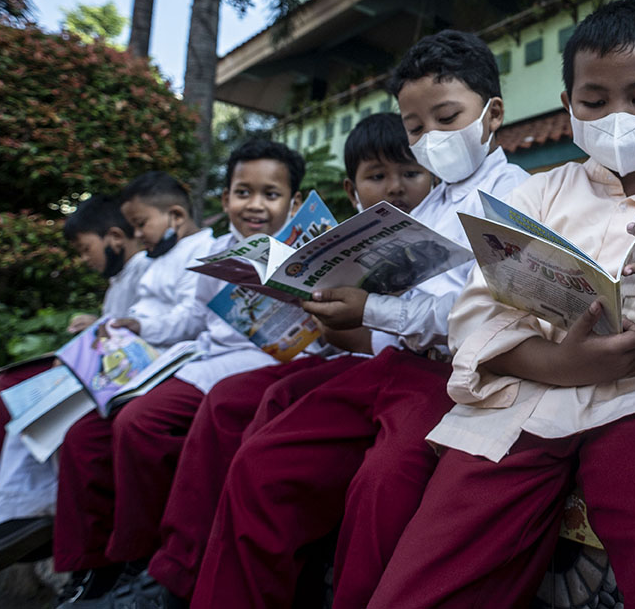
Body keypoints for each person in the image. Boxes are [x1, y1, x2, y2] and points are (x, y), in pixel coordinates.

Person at [366, 0, 635, 609]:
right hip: (526, 402)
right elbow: (476, 314)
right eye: (594, 102)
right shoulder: (535, 196)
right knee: (427, 579)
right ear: (569, 108)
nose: (618, 118)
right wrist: (558, 364)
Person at [190, 31, 528, 609]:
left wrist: (370, 308)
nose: (432, 139)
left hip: (453, 380)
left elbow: (487, 315)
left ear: (491, 113)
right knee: (262, 464)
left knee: (384, 487)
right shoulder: (431, 203)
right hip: (390, 364)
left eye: (447, 118)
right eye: (416, 128)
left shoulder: (518, 194)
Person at [91, 113, 436, 609]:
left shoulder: (351, 240)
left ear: (295, 203)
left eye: (270, 195)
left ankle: (166, 575)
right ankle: (149, 571)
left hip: (328, 361)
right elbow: (194, 315)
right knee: (184, 421)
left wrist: (324, 319)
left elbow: (361, 335)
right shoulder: (217, 254)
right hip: (260, 360)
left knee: (221, 411)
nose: (395, 188)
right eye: (377, 177)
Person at [0, 196, 149, 577]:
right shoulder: (120, 279)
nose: (84, 259)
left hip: (118, 381)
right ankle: (12, 508)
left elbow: (142, 334)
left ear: (114, 237)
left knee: (29, 391)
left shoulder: (145, 271)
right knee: (10, 384)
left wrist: (88, 343)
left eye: (84, 248)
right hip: (102, 371)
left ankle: (25, 512)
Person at [55, 172, 215, 603]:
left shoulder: (206, 251)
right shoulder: (156, 257)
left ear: (176, 216)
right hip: (137, 367)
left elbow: (192, 319)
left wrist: (137, 326)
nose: (136, 235)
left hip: (172, 365)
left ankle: (137, 561)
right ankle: (90, 563)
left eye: (141, 224)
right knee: (81, 436)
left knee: (135, 426)